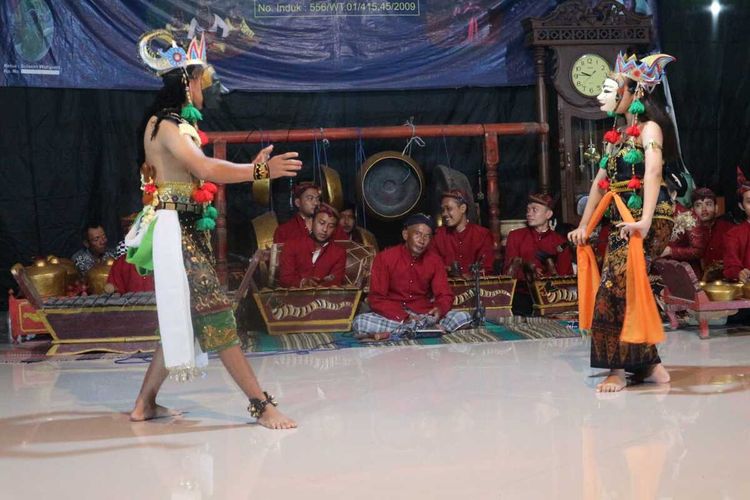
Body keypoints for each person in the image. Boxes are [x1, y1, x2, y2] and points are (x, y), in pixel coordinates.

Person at [128, 30, 302, 428]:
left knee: (185, 317)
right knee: (216, 313)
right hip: (174, 231)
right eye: (202, 81)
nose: (207, 89)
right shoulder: (168, 127)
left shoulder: (168, 124)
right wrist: (260, 170)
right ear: (187, 84)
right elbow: (206, 170)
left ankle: (144, 404)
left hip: (185, 227)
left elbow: (199, 175)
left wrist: (252, 168)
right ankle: (261, 405)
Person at [568, 52, 677, 392]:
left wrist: (644, 221)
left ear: (637, 92)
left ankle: (617, 367)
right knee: (621, 286)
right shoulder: (616, 138)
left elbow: (654, 172)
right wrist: (584, 226)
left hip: (651, 217)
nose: (603, 95)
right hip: (623, 221)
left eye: (611, 88)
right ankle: (650, 366)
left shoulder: (650, 129)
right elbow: (599, 184)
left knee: (613, 287)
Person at [352, 213, 471, 340]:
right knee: (361, 322)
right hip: (394, 315)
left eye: (427, 236)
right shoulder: (385, 258)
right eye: (418, 234)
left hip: (424, 314)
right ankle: (426, 331)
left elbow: (445, 294)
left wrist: (439, 309)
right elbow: (376, 298)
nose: (422, 240)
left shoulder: (435, 260)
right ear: (405, 235)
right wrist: (404, 317)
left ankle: (407, 332)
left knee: (463, 317)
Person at [662, 187, 732, 279]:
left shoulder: (729, 229)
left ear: (716, 208)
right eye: (698, 205)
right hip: (695, 279)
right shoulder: (684, 231)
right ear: (692, 210)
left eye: (708, 204)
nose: (704, 209)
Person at [504, 193, 574, 281]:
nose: (529, 214)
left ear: (548, 214)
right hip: (521, 292)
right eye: (528, 210)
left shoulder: (560, 242)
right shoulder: (515, 236)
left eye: (534, 210)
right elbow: (508, 273)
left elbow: (566, 277)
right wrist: (526, 270)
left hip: (550, 292)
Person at [277, 203, 347, 288]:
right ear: (312, 222)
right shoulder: (292, 245)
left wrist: (321, 285)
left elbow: (336, 281)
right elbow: (285, 279)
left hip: (324, 299)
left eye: (331, 226)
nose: (325, 229)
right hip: (294, 298)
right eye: (321, 223)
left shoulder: (339, 253)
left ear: (335, 229)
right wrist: (303, 282)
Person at [432, 189, 494, 277]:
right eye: (443, 210)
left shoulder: (482, 234)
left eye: (449, 209)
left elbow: (486, 269)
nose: (444, 214)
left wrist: (468, 276)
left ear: (462, 208)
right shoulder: (438, 235)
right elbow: (432, 266)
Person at [723, 168, 750, 282]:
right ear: (741, 206)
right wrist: (739, 272)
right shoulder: (734, 234)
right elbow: (731, 263)